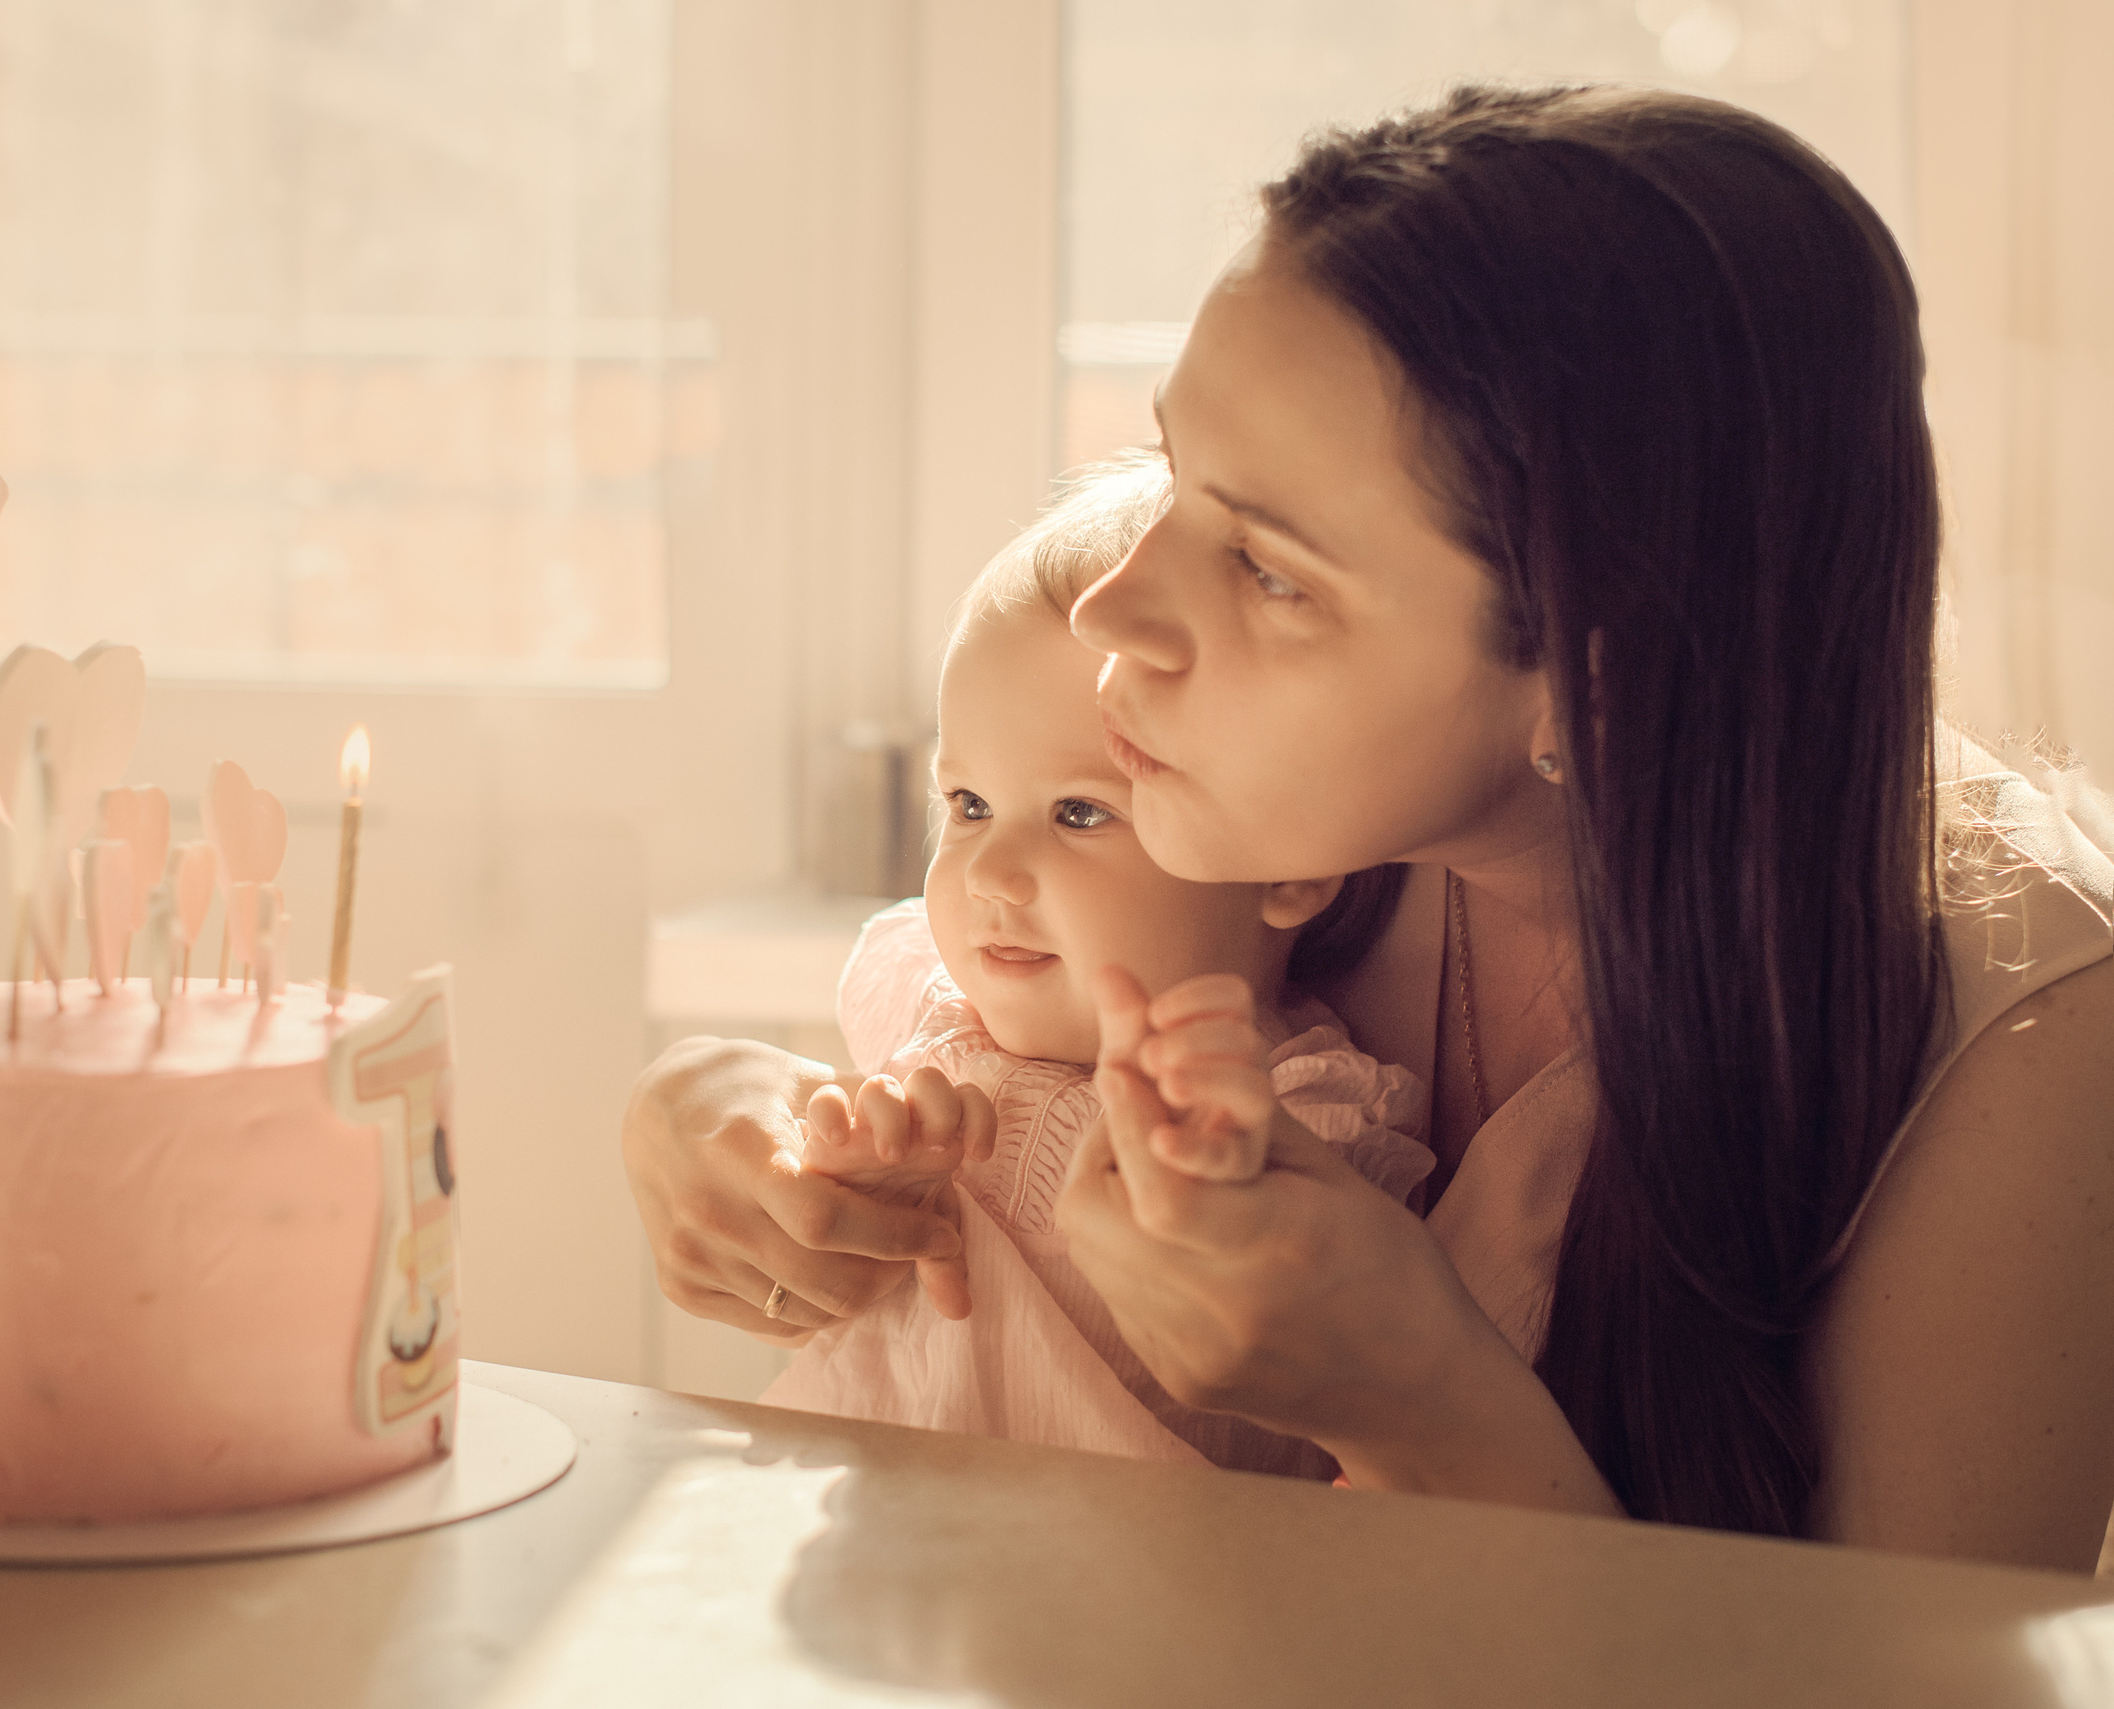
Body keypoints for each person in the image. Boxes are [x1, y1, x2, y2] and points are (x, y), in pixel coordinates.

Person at [622, 84, 2114, 1570]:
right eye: (1173, 482)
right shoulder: (1271, 805)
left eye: (1268, 570)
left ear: (1592, 679)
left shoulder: (2027, 1055)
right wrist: (720, 1111)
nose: (1109, 609)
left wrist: (1419, 1401)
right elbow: (978, 1023)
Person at [763, 456, 1431, 1469]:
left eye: (1078, 813)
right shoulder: (928, 1001)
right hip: (867, 1537)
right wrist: (861, 1183)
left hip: (1125, 1587)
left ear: (1285, 864)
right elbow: (821, 1275)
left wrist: (1214, 1193)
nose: (990, 869)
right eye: (967, 804)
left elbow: (1311, 1368)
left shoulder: (1292, 1107)